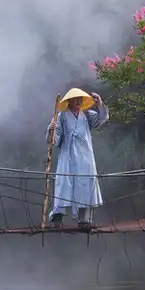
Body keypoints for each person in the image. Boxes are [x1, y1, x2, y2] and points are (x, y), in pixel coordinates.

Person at [48, 87, 108, 228]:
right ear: (69, 101)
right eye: (75, 99)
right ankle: (57, 217)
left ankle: (84, 219)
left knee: (86, 183)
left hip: (85, 156)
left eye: (80, 99)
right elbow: (54, 138)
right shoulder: (61, 116)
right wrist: (51, 130)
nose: (78, 101)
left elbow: (102, 118)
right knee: (64, 184)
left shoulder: (87, 115)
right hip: (68, 155)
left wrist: (99, 104)